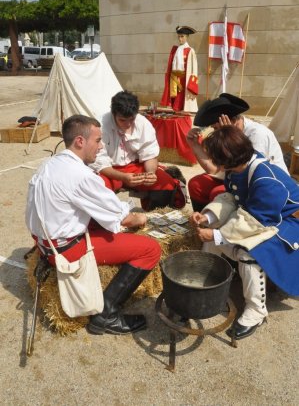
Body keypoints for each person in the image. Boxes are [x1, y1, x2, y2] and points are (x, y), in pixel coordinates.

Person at [25, 114, 162, 336]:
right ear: (80, 141)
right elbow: (122, 218)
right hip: (66, 251)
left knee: (99, 224)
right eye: (98, 141)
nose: (101, 147)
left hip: (44, 243)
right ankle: (106, 315)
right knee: (150, 249)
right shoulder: (81, 175)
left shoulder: (49, 163)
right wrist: (141, 218)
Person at [190, 125, 299, 340]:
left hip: (287, 223)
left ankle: (256, 310)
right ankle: (206, 277)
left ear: (228, 158)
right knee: (214, 230)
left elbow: (256, 221)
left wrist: (217, 235)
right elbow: (232, 199)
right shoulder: (239, 167)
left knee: (248, 251)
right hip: (262, 217)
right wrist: (209, 218)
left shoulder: (265, 179)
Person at [187, 93, 289, 212]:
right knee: (197, 184)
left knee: (218, 192)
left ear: (233, 121)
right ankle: (203, 222)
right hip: (235, 178)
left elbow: (250, 174)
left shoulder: (257, 134)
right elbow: (215, 170)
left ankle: (219, 228)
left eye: (216, 128)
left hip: (265, 185)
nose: (215, 133)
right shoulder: (228, 135)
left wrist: (229, 136)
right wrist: (194, 145)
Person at [89, 90, 186, 211]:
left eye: (131, 119)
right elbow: (99, 162)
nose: (128, 124)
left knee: (166, 185)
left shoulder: (143, 123)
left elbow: (149, 153)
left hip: (135, 167)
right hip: (109, 170)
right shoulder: (100, 125)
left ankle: (151, 217)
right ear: (113, 114)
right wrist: (123, 177)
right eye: (122, 120)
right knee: (96, 190)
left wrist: (150, 173)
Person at [160, 25, 199, 113]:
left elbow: (194, 68)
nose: (180, 39)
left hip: (185, 78)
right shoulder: (176, 50)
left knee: (183, 96)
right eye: (179, 37)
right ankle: (176, 109)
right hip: (175, 77)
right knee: (175, 96)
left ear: (187, 37)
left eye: (182, 36)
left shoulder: (190, 50)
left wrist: (192, 82)